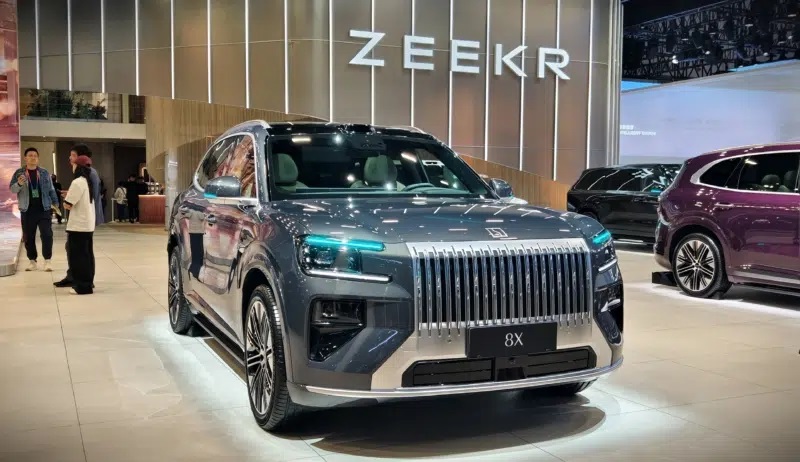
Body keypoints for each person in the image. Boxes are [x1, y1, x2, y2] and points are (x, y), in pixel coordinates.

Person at [54, 144, 103, 288]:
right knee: (77, 250)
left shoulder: (88, 175)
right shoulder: (86, 175)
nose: (70, 158)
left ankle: (82, 280)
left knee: (80, 252)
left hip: (83, 220)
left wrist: (71, 197)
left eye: (73, 156)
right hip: (85, 219)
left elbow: (90, 197)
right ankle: (75, 276)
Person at [9, 147, 59, 272]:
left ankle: (47, 261)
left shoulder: (44, 172)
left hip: (44, 208)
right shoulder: (19, 173)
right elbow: (12, 189)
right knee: (28, 237)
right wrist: (19, 184)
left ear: (38, 158)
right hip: (27, 210)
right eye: (30, 155)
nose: (33, 157)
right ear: (25, 158)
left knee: (47, 235)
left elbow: (51, 189)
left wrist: (56, 203)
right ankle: (32, 261)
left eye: (35, 156)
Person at [63, 155, 96, 295]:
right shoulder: (89, 182)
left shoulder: (77, 182)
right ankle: (87, 283)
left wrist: (65, 198)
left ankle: (82, 287)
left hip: (78, 226)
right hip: (88, 225)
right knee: (86, 256)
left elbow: (68, 205)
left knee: (78, 258)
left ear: (77, 167)